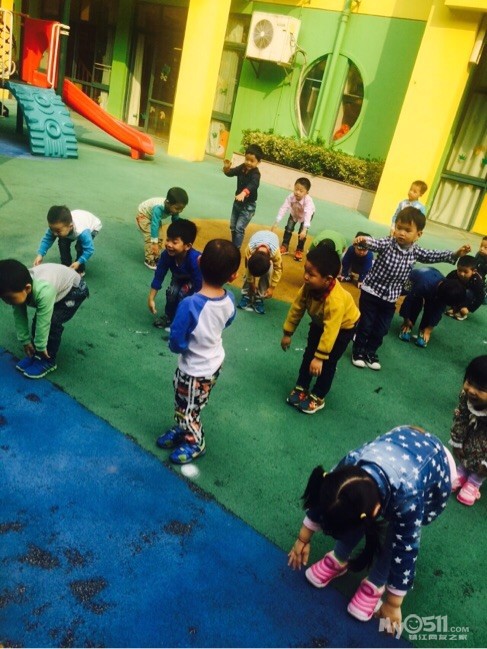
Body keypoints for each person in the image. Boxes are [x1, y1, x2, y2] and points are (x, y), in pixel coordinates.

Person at [288, 426, 456, 630]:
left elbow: (406, 548)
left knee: (397, 534)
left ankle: (375, 583)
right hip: (401, 443)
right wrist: (303, 538)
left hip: (437, 466)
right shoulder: (351, 465)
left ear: (377, 510)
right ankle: (339, 557)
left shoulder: (408, 497)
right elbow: (326, 497)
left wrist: (393, 603)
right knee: (349, 508)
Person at [351, 207, 470, 371]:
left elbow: (433, 255)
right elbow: (375, 243)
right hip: (371, 291)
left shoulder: (415, 251)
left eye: (407, 230)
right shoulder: (388, 243)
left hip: (390, 297)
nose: (401, 233)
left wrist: (455, 254)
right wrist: (362, 240)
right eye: (399, 227)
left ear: (418, 234)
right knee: (366, 324)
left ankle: (370, 352)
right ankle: (358, 351)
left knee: (381, 328)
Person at [155, 239, 241, 464]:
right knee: (186, 402)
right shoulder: (229, 299)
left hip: (195, 368)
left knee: (189, 407)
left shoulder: (190, 304)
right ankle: (182, 427)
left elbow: (176, 341)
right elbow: (228, 320)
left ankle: (195, 441)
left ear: (199, 261)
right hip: (212, 363)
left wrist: (184, 347)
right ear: (233, 276)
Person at [280, 246, 359, 414]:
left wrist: (320, 357)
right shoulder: (308, 287)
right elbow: (297, 308)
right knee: (309, 354)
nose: (305, 276)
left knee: (327, 363)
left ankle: (318, 395)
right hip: (320, 321)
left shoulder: (335, 300)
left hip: (342, 328)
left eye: (311, 274)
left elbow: (331, 330)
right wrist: (288, 333)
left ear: (327, 279)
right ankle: (302, 386)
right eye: (305, 271)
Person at [0, 259, 89, 379]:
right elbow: (19, 316)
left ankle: (48, 360)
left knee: (52, 322)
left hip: (74, 289)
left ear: (27, 288)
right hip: (56, 284)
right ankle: (36, 354)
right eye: (3, 298)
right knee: (39, 321)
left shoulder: (43, 291)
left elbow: (44, 322)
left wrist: (41, 347)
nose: (6, 302)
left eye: (9, 298)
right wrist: (25, 341)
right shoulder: (18, 286)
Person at [147, 220, 202, 331]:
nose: (169, 244)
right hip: (179, 278)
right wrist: (151, 298)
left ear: (187, 246)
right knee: (172, 292)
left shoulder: (194, 259)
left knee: (183, 294)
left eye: (174, 242)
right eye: (168, 240)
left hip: (194, 281)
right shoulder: (166, 255)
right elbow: (159, 275)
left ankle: (183, 321)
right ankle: (169, 316)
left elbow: (199, 284)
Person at [450, 355, 487, 506]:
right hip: (474, 431)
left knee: (482, 463)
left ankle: (474, 481)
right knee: (465, 448)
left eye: (481, 389)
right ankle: (462, 471)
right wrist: (457, 442)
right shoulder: (466, 396)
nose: (471, 390)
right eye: (469, 382)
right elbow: (461, 418)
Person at [398, 268, 466, 347]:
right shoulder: (424, 285)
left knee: (433, 306)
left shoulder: (446, 290)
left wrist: (429, 328)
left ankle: (423, 329)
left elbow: (438, 311)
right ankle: (408, 326)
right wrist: (406, 319)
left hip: (432, 281)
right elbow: (408, 301)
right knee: (416, 301)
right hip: (414, 280)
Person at [34, 205, 102, 274]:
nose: (55, 234)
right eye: (52, 229)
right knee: (62, 242)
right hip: (77, 219)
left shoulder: (82, 232)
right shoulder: (56, 227)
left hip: (93, 226)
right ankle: (66, 264)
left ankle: (80, 269)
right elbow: (47, 240)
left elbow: (89, 250)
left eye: (58, 231)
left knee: (80, 247)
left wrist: (79, 262)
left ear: (70, 227)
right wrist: (40, 254)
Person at [135, 188, 189, 270]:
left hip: (153, 217)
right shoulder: (158, 208)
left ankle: (155, 256)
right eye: (177, 209)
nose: (179, 211)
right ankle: (149, 259)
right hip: (143, 216)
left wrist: (181, 230)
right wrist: (154, 243)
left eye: (182, 209)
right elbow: (155, 224)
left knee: (159, 236)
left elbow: (175, 221)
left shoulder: (174, 208)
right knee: (151, 237)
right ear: (168, 203)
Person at [222, 144, 263, 249]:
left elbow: (253, 185)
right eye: (247, 159)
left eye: (252, 161)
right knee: (233, 226)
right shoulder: (242, 167)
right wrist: (226, 169)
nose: (248, 162)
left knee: (239, 228)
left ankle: (236, 249)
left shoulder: (256, 174)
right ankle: (234, 246)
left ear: (258, 162)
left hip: (248, 206)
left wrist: (244, 193)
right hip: (238, 202)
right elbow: (232, 172)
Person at [238, 230, 283, 315]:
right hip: (257, 236)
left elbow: (279, 270)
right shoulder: (249, 250)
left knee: (268, 272)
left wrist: (272, 288)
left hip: (272, 240)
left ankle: (260, 296)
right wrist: (251, 284)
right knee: (248, 271)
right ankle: (246, 294)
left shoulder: (275, 254)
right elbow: (248, 267)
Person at [271, 177, 315, 262]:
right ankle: (285, 246)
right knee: (288, 228)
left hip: (306, 216)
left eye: (301, 191)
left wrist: (304, 229)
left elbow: (308, 214)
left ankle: (299, 249)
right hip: (294, 213)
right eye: (296, 189)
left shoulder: (308, 201)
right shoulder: (291, 197)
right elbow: (284, 208)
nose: (297, 192)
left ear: (306, 193)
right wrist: (277, 221)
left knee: (301, 233)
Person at [444, 255, 485, 320]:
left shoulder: (477, 281)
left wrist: (469, 308)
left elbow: (480, 297)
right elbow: (444, 285)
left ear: (474, 271)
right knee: (451, 286)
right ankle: (455, 307)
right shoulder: (453, 274)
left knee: (468, 292)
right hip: (460, 292)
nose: (462, 274)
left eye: (466, 272)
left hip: (471, 296)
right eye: (459, 270)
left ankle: (461, 310)